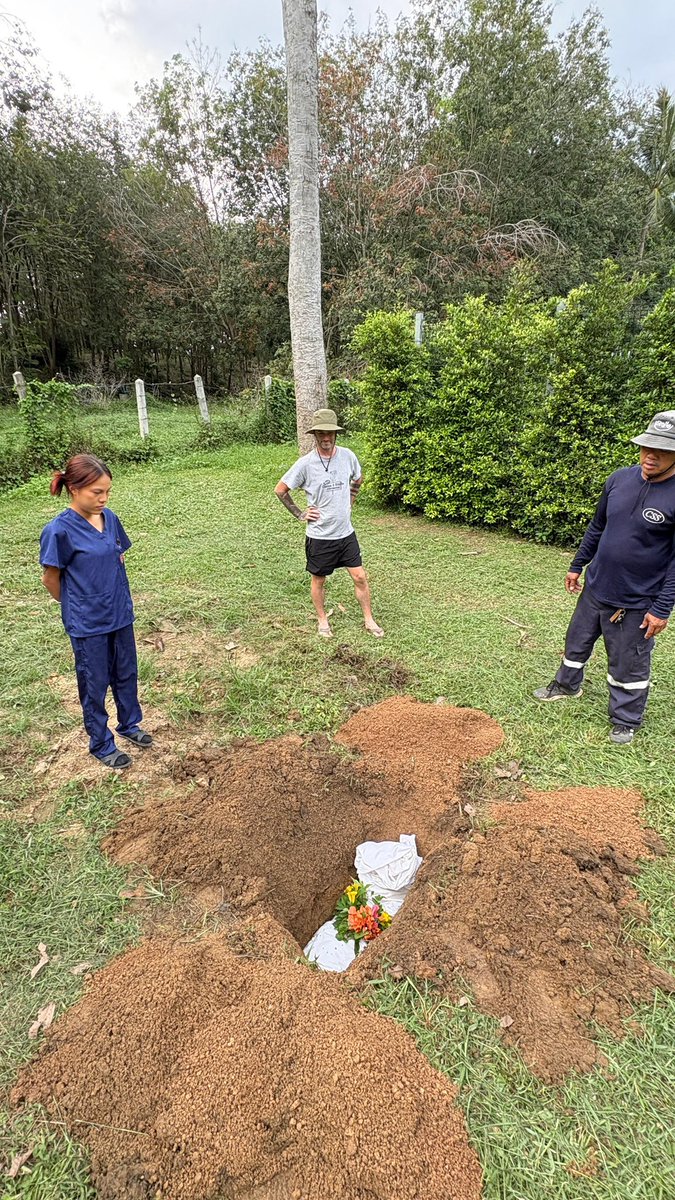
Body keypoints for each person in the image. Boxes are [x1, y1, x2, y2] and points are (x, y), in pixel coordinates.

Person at [534, 411, 675, 744]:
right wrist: (577, 564)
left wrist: (662, 607)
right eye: (645, 447)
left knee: (628, 662)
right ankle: (567, 685)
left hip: (638, 601)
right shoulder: (619, 480)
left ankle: (626, 718)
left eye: (661, 450)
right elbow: (598, 526)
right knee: (576, 641)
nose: (649, 456)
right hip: (597, 587)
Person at [40, 453, 152, 769]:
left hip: (119, 613)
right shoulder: (58, 531)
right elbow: (50, 579)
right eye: (96, 493)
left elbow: (117, 557)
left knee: (126, 673)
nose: (103, 499)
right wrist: (78, 604)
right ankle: (101, 743)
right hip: (88, 623)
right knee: (95, 682)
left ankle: (129, 724)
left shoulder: (110, 518)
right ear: (74, 489)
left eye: (107, 492)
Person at [274, 408, 383, 638]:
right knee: (319, 579)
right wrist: (300, 514)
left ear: (336, 435)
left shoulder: (347, 456)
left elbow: (358, 478)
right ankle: (322, 620)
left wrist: (351, 499)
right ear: (314, 435)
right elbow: (281, 490)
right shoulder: (306, 464)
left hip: (346, 534)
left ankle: (369, 619)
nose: (326, 438)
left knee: (360, 577)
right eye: (321, 433)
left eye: (330, 433)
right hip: (320, 536)